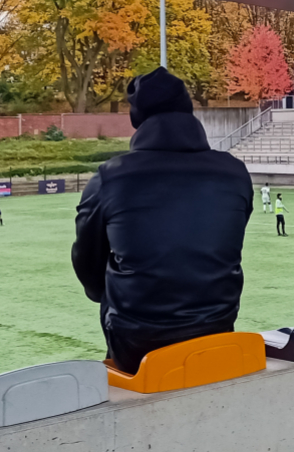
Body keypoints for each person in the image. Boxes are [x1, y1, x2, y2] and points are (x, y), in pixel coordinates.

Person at [72, 67, 253, 375]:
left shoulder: (111, 177)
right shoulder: (234, 172)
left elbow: (87, 264)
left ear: (135, 119)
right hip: (218, 329)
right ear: (188, 110)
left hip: (137, 342)